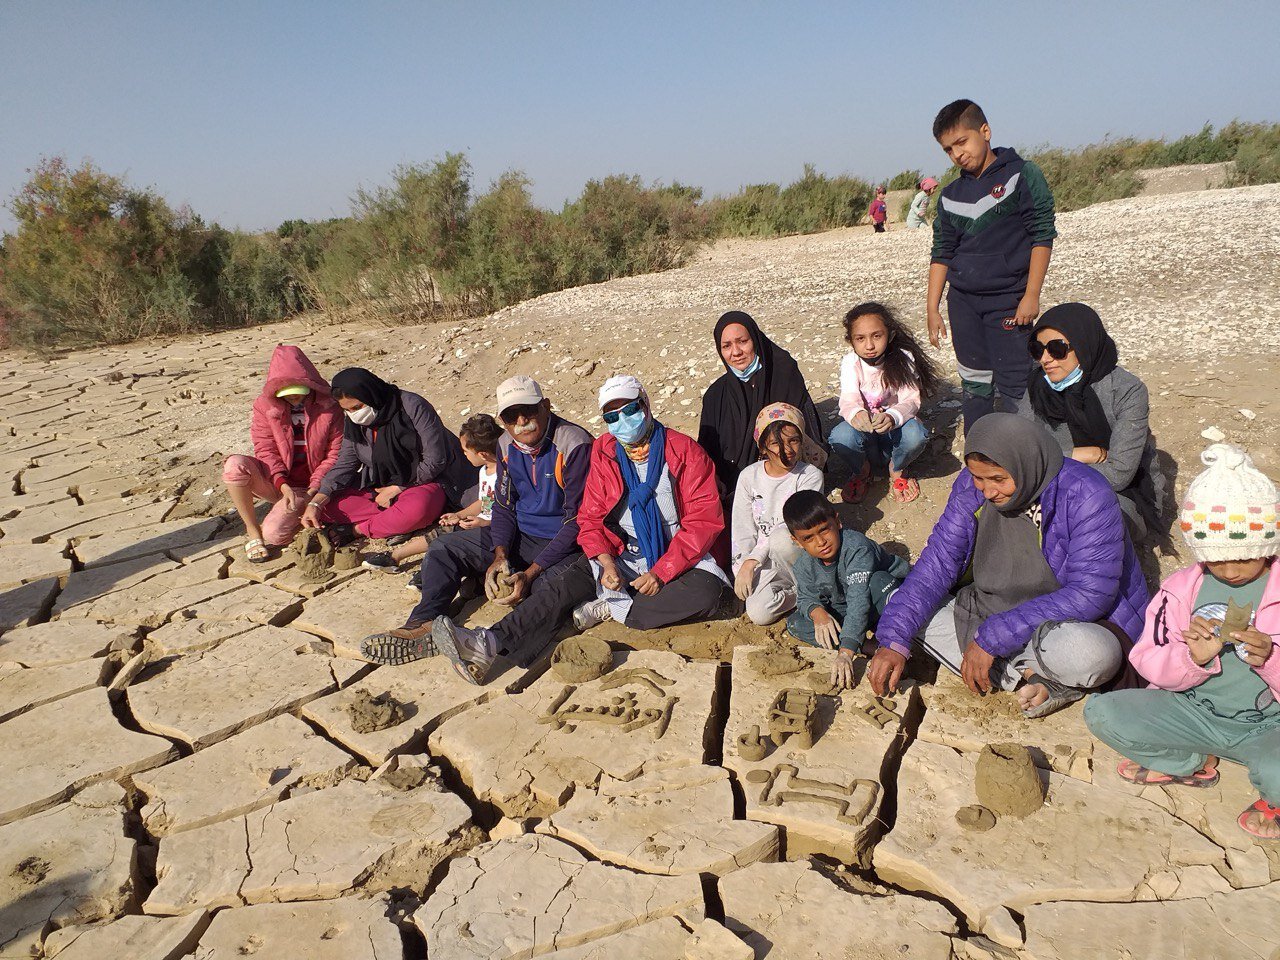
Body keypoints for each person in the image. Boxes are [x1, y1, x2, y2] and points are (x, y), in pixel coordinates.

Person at [867, 413, 1149, 718]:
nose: (987, 491)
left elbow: (1090, 594)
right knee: (902, 609)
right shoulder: (969, 488)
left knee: (1092, 655)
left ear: (1024, 464)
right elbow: (936, 565)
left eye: (999, 479)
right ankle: (1032, 675)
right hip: (989, 608)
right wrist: (894, 641)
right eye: (979, 477)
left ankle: (1014, 668)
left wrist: (991, 638)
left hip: (1063, 622)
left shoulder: (1086, 495)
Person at [1085, 444, 1280, 840]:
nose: (1230, 570)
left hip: (1269, 727)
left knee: (1276, 771)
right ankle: (1192, 761)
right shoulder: (1181, 590)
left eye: (1243, 557)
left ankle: (1271, 797)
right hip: (1195, 714)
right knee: (1104, 712)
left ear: (1267, 546)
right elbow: (1146, 658)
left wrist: (1271, 658)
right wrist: (1192, 658)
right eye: (1216, 559)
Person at [359, 376, 596, 685]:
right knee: (444, 548)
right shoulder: (506, 445)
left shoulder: (574, 444)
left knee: (554, 588)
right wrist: (500, 555)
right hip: (523, 536)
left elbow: (577, 522)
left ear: (546, 407)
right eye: (512, 416)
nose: (522, 422)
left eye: (529, 411)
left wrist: (533, 571)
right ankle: (423, 624)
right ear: (503, 421)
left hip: (567, 544)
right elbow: (503, 507)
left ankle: (488, 643)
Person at [925, 99, 1057, 431]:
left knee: (1016, 381)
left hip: (1009, 301)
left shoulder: (1022, 175)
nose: (957, 153)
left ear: (985, 131)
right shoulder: (950, 195)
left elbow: (1042, 234)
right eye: (948, 149)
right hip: (964, 302)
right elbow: (942, 251)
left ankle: (1026, 452)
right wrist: (932, 307)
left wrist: (1032, 295)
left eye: (962, 142)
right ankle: (979, 450)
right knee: (974, 380)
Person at [573, 375, 729, 631]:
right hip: (629, 551)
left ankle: (617, 607)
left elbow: (703, 521)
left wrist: (662, 572)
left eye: (630, 409)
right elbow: (590, 517)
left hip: (680, 553)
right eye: (612, 417)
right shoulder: (605, 452)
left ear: (645, 404)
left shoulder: (684, 450)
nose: (622, 421)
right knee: (568, 579)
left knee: (706, 592)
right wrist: (609, 565)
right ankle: (629, 601)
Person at [1023, 302, 1165, 542]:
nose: (1045, 359)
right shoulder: (1038, 387)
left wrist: (1046, 469)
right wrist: (1074, 455)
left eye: (1056, 349)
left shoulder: (1127, 391)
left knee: (1088, 521)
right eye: (1038, 349)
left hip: (1119, 496)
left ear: (1084, 344)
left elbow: (1119, 474)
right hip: (1052, 487)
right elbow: (1018, 455)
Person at [301, 368, 471, 543]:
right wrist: (317, 503)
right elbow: (345, 463)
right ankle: (395, 522)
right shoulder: (354, 423)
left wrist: (399, 488)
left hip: (424, 481)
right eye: (348, 410)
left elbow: (435, 460)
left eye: (357, 407)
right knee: (327, 506)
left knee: (418, 508)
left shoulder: (412, 406)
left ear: (371, 395)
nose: (354, 414)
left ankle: (360, 528)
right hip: (380, 484)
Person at [222, 344, 343, 561]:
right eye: (287, 395)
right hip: (278, 481)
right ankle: (252, 531)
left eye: (299, 393)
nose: (294, 399)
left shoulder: (329, 406)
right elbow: (265, 448)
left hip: (310, 486)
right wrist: (282, 484)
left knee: (275, 535)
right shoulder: (264, 406)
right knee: (234, 465)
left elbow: (335, 454)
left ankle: (296, 513)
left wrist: (312, 490)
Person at [784, 490, 911, 689]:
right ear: (797, 542)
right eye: (808, 538)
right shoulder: (803, 566)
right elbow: (806, 597)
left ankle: (890, 642)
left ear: (837, 521)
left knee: (878, 582)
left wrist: (845, 653)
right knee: (796, 623)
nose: (821, 542)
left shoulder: (856, 547)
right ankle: (869, 646)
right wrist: (817, 613)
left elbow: (859, 599)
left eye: (824, 530)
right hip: (847, 606)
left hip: (883, 597)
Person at [698, 310, 826, 500]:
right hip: (732, 485)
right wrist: (713, 477)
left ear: (755, 340)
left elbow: (809, 430)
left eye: (742, 341)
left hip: (788, 473)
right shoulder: (715, 395)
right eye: (726, 346)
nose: (736, 352)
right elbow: (707, 448)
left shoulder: (784, 374)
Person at [362, 413, 503, 575]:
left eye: (465, 451)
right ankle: (394, 557)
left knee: (449, 543)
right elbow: (484, 501)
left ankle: (427, 575)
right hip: (477, 523)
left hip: (492, 531)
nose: (462, 454)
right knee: (443, 532)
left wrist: (483, 523)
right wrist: (459, 515)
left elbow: (508, 513)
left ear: (482, 454)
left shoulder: (504, 475)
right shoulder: (484, 472)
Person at [829, 302, 940, 505]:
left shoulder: (904, 359)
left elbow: (911, 400)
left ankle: (897, 469)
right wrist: (855, 413)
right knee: (840, 436)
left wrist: (892, 416)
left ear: (890, 335)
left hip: (895, 435)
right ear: (850, 341)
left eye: (876, 336)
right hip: (866, 436)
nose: (869, 346)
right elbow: (848, 397)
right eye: (860, 338)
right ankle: (862, 470)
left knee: (917, 434)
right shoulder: (850, 363)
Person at [731, 403, 825, 626]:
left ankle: (812, 589)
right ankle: (800, 593)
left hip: (796, 553)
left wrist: (753, 559)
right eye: (776, 442)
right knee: (760, 614)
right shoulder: (748, 477)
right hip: (765, 562)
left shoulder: (809, 476)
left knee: (781, 539)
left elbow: (790, 526)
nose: (787, 449)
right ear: (763, 447)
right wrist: (743, 568)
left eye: (793, 440)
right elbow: (742, 528)